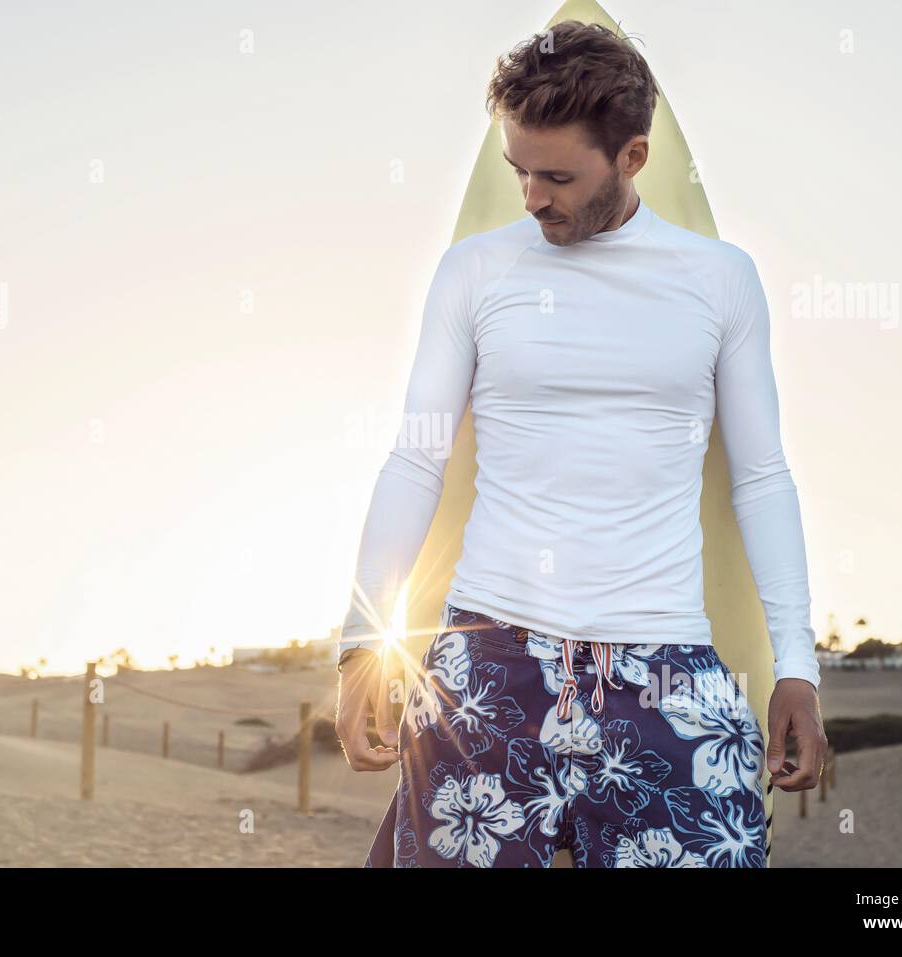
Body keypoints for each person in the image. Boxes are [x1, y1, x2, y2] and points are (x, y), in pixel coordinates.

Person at [334, 20, 827, 868]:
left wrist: (797, 665)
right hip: (488, 662)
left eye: (557, 176)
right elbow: (416, 459)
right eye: (517, 171)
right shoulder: (474, 272)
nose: (531, 197)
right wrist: (357, 647)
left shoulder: (718, 280)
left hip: (665, 665)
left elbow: (762, 476)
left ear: (632, 157)